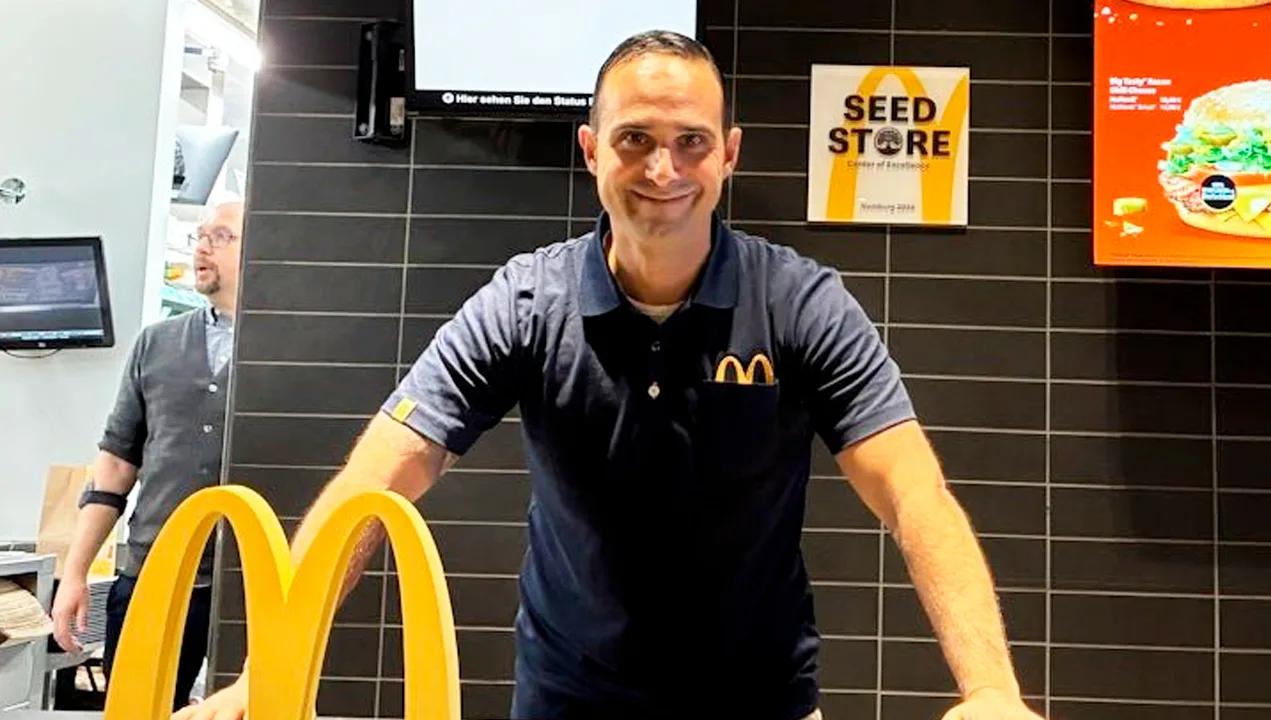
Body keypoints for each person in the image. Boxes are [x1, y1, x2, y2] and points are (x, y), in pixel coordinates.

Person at [181, 31, 1044, 720]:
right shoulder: (525, 303)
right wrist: (274, 666)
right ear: (593, 149)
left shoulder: (800, 303)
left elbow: (914, 495)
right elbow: (378, 479)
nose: (663, 170)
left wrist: (992, 691)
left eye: (690, 143)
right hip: (570, 696)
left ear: (729, 155)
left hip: (761, 700)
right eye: (635, 139)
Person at [52, 199, 244, 712]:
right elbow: (114, 468)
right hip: (152, 573)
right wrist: (75, 574)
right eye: (199, 236)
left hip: (251, 583)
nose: (201, 247)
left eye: (221, 237)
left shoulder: (289, 349)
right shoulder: (155, 345)